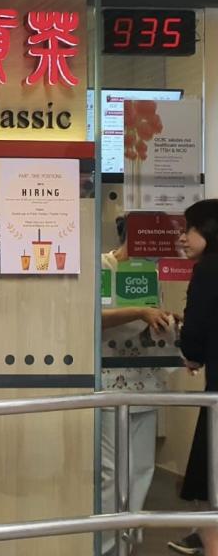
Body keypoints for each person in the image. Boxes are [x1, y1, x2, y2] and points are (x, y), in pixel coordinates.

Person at [99, 216, 178, 556]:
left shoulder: (153, 273)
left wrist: (164, 320)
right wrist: (138, 312)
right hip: (107, 384)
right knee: (111, 473)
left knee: (142, 469)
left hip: (146, 381)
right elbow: (93, 317)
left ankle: (128, 542)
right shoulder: (102, 266)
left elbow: (151, 318)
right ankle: (104, 546)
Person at [176, 200, 218, 556]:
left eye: (188, 229)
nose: (183, 237)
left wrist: (192, 354)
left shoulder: (208, 270)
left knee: (213, 464)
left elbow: (196, 328)